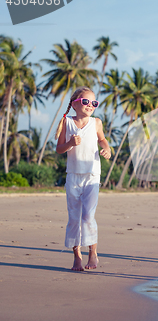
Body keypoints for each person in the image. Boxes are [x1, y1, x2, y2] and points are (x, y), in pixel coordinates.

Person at [55, 87, 111, 271]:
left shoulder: (96, 123)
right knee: (74, 219)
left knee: (88, 216)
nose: (90, 105)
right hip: (73, 177)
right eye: (86, 102)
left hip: (92, 175)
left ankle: (92, 252)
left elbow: (102, 140)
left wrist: (107, 149)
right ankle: (77, 257)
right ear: (75, 104)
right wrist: (70, 143)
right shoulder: (66, 122)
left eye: (94, 103)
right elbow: (59, 149)